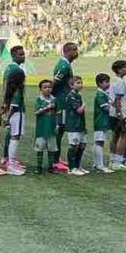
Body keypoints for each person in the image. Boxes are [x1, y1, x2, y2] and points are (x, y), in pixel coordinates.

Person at [50, 42, 79, 172]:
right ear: (66, 51)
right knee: (59, 130)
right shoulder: (64, 65)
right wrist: (50, 97)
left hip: (62, 99)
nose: (76, 52)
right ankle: (54, 161)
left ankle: (57, 158)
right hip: (61, 101)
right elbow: (54, 82)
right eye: (74, 50)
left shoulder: (66, 64)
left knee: (60, 130)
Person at [1, 45, 27, 175]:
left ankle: (9, 160)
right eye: (20, 54)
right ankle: (9, 162)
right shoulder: (15, 70)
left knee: (13, 135)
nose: (23, 56)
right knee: (14, 136)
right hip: (16, 111)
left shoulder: (10, 69)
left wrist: (4, 103)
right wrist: (7, 113)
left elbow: (6, 88)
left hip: (10, 107)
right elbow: (14, 100)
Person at [108, 60, 126, 172]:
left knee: (115, 135)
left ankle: (112, 160)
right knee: (125, 135)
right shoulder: (121, 82)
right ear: (119, 69)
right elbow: (118, 99)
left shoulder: (114, 81)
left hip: (112, 112)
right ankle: (118, 161)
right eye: (125, 67)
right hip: (120, 112)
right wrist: (120, 113)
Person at [63, 76, 88, 176]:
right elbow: (78, 110)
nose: (80, 84)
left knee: (82, 145)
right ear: (71, 85)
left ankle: (77, 166)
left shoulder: (78, 95)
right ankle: (71, 167)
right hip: (73, 125)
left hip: (80, 125)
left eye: (81, 82)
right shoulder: (71, 96)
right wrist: (84, 105)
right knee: (74, 146)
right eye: (77, 83)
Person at [32, 80, 57, 174]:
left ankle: (51, 167)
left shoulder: (54, 99)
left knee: (52, 148)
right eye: (45, 87)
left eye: (49, 87)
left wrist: (57, 124)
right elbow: (36, 112)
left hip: (51, 128)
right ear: (40, 89)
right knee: (40, 148)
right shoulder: (39, 100)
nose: (48, 89)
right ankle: (39, 167)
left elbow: (57, 113)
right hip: (41, 129)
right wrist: (47, 108)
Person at [92, 73, 115, 174]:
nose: (108, 84)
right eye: (106, 82)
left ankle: (97, 163)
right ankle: (100, 164)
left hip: (103, 121)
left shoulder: (103, 93)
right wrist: (113, 103)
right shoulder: (100, 94)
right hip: (101, 121)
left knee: (99, 141)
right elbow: (105, 108)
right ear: (100, 83)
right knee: (99, 142)